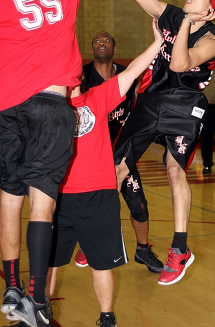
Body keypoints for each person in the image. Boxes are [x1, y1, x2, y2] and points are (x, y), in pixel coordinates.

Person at [0, 0, 122, 327]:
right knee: (42, 202)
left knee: (8, 197)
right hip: (50, 106)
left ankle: (11, 287)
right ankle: (36, 297)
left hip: (7, 106)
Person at [114, 0, 215, 286]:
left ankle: (180, 249)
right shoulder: (174, 15)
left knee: (174, 169)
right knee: (116, 165)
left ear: (210, 10)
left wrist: (181, 25)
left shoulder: (211, 40)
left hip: (185, 105)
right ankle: (100, 227)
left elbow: (179, 64)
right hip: (154, 99)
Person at [45, 19, 163, 327]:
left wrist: (157, 42)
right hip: (58, 196)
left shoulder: (97, 97)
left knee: (101, 264)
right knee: (50, 263)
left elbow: (135, 70)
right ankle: (39, 311)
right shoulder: (47, 108)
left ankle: (106, 317)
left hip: (99, 194)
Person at [75, 31, 163, 273]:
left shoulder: (128, 74)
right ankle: (87, 244)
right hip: (92, 155)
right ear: (91, 50)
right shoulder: (82, 77)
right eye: (96, 41)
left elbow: (142, 101)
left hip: (121, 153)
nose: (101, 43)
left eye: (106, 41)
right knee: (97, 204)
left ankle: (143, 250)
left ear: (114, 48)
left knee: (139, 205)